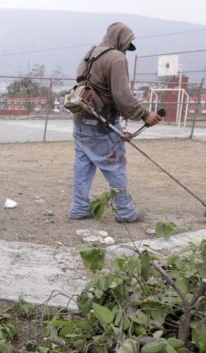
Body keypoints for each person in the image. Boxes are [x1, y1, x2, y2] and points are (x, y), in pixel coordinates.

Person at [69, 22, 162, 223]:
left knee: (83, 167)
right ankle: (126, 212)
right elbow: (122, 96)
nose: (126, 50)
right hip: (102, 124)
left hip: (81, 121)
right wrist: (145, 115)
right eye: (127, 46)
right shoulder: (116, 58)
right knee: (114, 167)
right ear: (120, 39)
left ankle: (78, 208)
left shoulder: (90, 54)